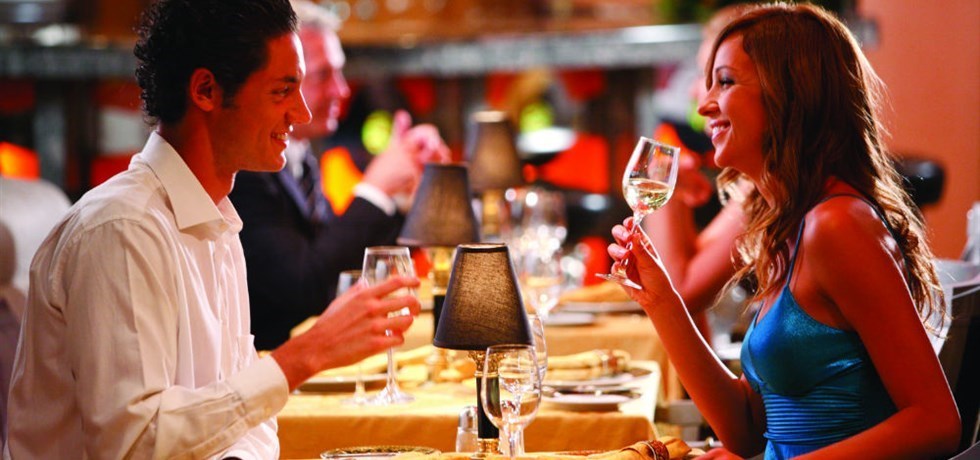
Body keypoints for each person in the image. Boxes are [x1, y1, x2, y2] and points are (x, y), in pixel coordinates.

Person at [4, 1, 420, 458]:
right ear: (206, 90)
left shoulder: (218, 222)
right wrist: (305, 355)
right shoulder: (122, 229)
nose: (301, 114)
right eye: (282, 91)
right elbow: (134, 444)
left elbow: (249, 428)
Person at [609, 4, 961, 459]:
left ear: (789, 94)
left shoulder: (838, 225)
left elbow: (936, 422)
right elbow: (746, 430)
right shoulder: (789, 226)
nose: (704, 105)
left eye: (725, 82)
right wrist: (662, 302)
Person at [229, 0, 449, 350]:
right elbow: (305, 287)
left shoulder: (301, 156)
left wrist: (401, 193)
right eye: (323, 75)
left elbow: (340, 261)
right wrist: (376, 188)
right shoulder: (243, 169)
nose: (342, 90)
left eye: (340, 72)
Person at [645, 4, 749, 344]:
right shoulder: (760, 184)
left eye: (720, 79)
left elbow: (679, 295)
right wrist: (669, 188)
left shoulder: (778, 189)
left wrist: (661, 186)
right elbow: (688, 274)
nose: (696, 94)